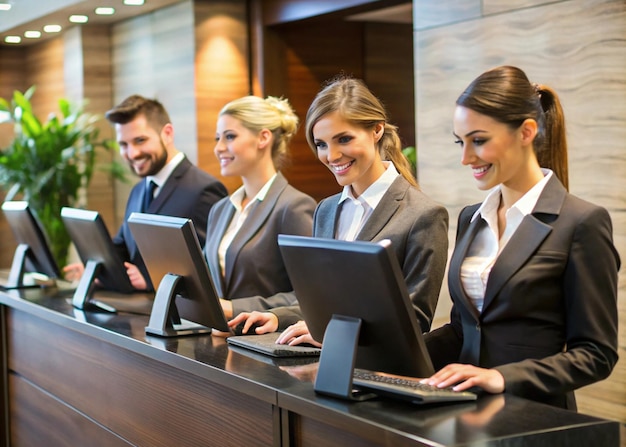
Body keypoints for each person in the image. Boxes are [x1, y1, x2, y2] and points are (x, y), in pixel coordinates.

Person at [421, 65, 619, 410]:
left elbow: (596, 354)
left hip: (535, 418)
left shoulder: (582, 222)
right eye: (460, 142)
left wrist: (502, 377)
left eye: (479, 141)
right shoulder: (472, 216)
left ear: (526, 132)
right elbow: (462, 329)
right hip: (463, 412)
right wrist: (376, 350)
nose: (465, 158)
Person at [228, 76, 449, 344]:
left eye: (343, 139)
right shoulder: (327, 209)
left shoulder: (424, 215)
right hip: (321, 363)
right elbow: (324, 299)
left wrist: (331, 333)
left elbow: (415, 319)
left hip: (376, 372)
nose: (331, 156)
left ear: (377, 130)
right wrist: (279, 317)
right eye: (321, 144)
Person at [64, 95, 228, 291]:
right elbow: (124, 247)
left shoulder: (204, 190)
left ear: (167, 133)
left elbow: (211, 266)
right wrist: (96, 270)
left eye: (140, 140)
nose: (132, 154)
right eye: (124, 145)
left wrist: (152, 280)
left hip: (177, 317)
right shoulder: (139, 190)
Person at [206, 95, 316, 322]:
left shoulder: (294, 207)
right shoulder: (220, 209)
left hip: (267, 343)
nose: (218, 148)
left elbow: (310, 296)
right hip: (219, 339)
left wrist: (233, 308)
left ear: (263, 138)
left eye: (229, 136)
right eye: (217, 138)